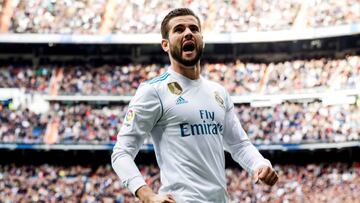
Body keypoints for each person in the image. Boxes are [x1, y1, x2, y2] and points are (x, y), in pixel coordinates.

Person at [112, 8, 278, 203]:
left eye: (193, 28)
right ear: (165, 44)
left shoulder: (218, 92)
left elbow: (238, 144)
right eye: (179, 29)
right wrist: (147, 196)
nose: (188, 33)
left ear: (201, 39)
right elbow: (121, 153)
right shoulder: (154, 90)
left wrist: (259, 164)